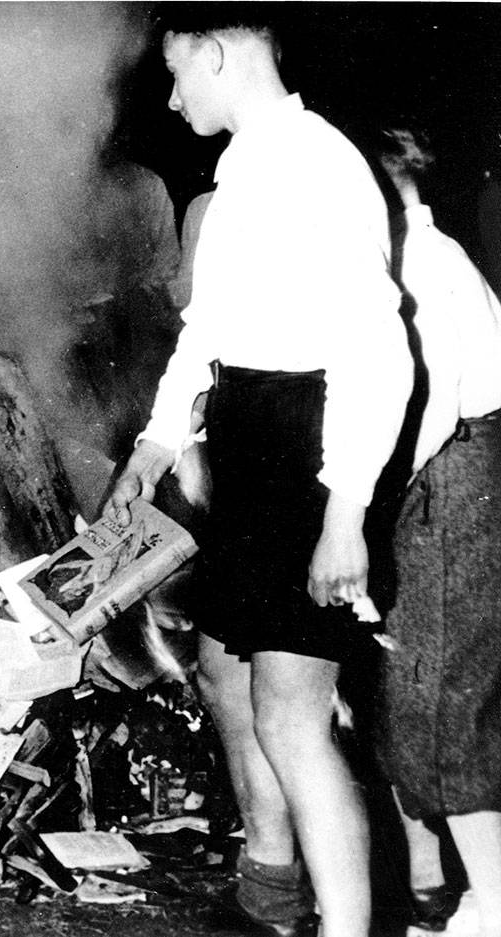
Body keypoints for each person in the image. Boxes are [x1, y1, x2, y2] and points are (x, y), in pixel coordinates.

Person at [105, 8, 411, 937]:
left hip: (306, 452)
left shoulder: (318, 163)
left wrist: (346, 512)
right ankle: (271, 892)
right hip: (245, 436)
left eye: (175, 73)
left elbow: (380, 351)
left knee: (291, 714)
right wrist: (157, 440)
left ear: (217, 54)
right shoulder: (245, 166)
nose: (170, 95)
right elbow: (209, 328)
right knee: (227, 680)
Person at [374, 125, 501, 937]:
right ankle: (443, 891)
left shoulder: (425, 264)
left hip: (453, 479)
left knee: (448, 705)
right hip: (447, 476)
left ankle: (493, 906)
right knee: (416, 689)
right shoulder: (424, 253)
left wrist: (369, 499)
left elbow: (432, 404)